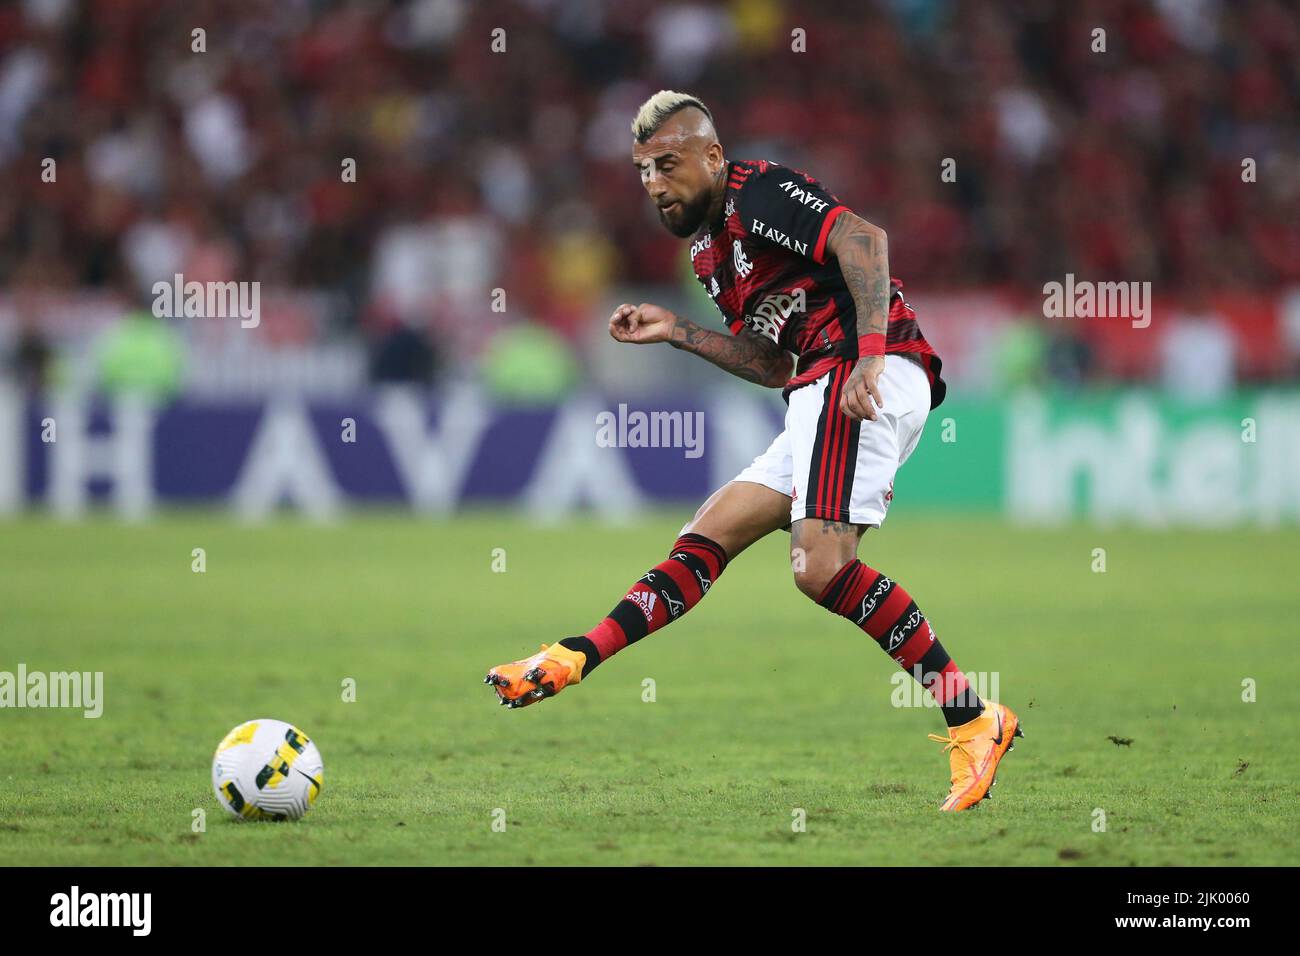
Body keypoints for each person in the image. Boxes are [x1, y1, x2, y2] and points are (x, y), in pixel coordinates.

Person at [485, 92, 1021, 811]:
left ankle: (973, 716)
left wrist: (867, 356)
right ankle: (574, 655)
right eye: (643, 171)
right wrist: (677, 330)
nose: (654, 184)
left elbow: (863, 241)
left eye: (667, 165)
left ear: (711, 156)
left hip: (861, 370)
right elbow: (771, 362)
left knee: (820, 567)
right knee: (709, 534)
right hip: (817, 377)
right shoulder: (710, 253)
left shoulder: (758, 192)